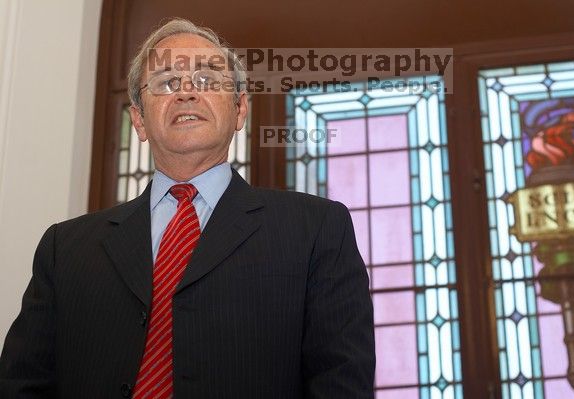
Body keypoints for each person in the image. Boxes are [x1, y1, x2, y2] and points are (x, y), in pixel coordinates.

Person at [0, 18, 375, 399]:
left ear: (240, 109)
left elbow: (341, 383)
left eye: (207, 80)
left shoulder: (316, 229)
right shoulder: (65, 248)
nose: (186, 93)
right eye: (165, 82)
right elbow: (21, 384)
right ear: (139, 120)